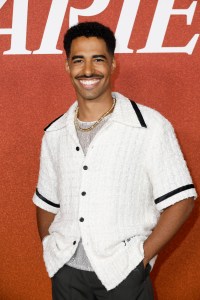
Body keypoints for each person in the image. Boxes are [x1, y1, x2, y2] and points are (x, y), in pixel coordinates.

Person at [33, 22, 197, 300]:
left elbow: (182, 201)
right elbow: (47, 203)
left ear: (112, 64)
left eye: (98, 59)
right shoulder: (54, 133)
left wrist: (139, 259)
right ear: (67, 67)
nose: (88, 70)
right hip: (66, 274)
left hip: (123, 274)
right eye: (78, 60)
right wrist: (52, 246)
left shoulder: (150, 127)